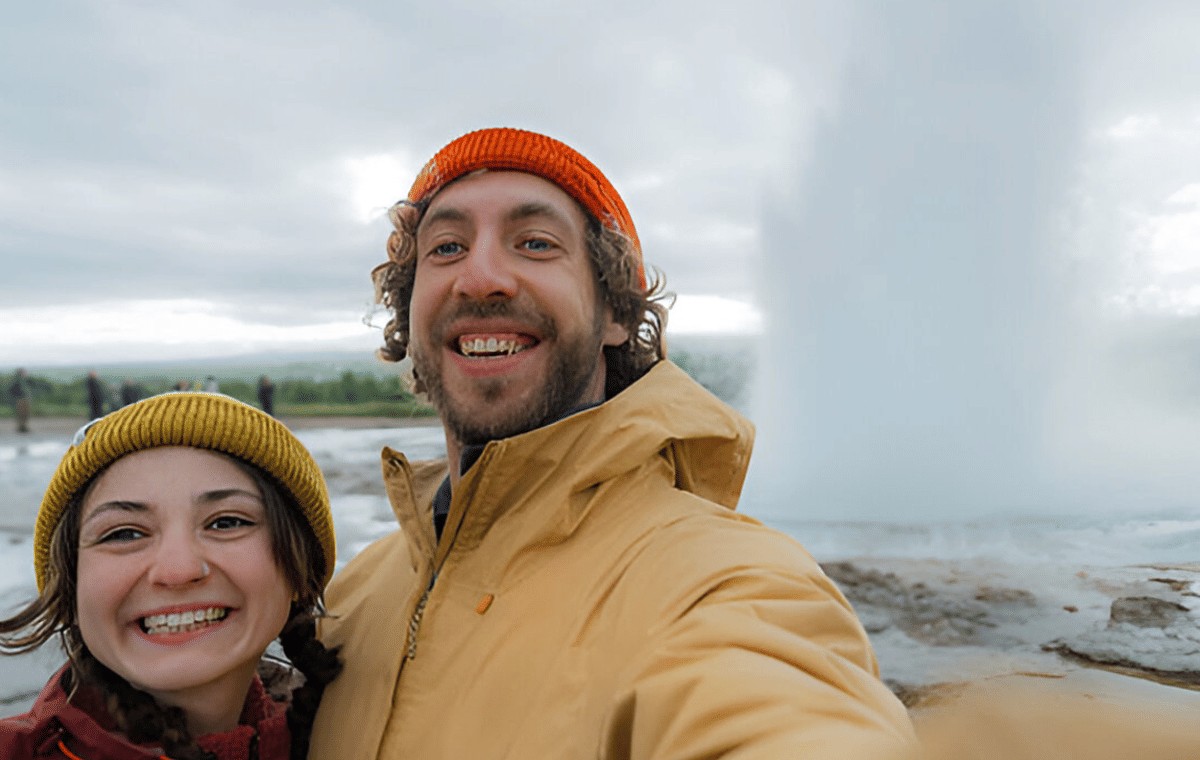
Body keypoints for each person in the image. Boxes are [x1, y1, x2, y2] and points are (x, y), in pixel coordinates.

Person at [310, 128, 917, 759]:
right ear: (409, 314)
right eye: (446, 247)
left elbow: (786, 712)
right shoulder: (353, 595)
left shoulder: (716, 578)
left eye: (536, 243)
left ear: (616, 314)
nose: (480, 276)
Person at [0, 393, 342, 760]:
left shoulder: (363, 737)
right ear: (70, 586)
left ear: (302, 569)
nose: (178, 571)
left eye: (227, 522)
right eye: (124, 533)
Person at [9, 367, 32, 434]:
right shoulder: (17, 381)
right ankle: (21, 427)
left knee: (24, 414)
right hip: (20, 400)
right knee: (21, 414)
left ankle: (23, 427)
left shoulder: (22, 380)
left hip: (23, 400)